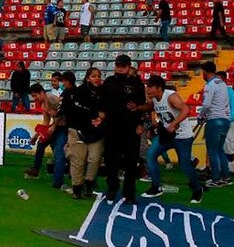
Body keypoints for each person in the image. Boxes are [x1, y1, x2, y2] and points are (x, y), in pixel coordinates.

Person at [141, 76, 202, 202]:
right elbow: (149, 108)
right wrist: (137, 107)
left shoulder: (170, 96)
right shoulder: (154, 99)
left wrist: (174, 124)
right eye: (147, 87)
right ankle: (156, 186)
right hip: (167, 136)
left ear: (159, 88)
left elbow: (186, 109)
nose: (148, 90)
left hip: (182, 136)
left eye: (150, 87)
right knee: (151, 155)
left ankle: (197, 190)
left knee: (184, 165)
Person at [101, 55, 146, 204]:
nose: (120, 68)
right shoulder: (108, 82)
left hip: (130, 128)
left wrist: (140, 123)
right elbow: (102, 103)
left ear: (128, 67)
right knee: (111, 161)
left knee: (131, 162)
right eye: (118, 65)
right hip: (112, 127)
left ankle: (129, 193)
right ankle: (112, 189)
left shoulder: (136, 83)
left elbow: (141, 105)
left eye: (123, 65)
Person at [63, 68, 104, 199]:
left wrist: (102, 117)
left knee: (95, 159)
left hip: (97, 133)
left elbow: (108, 108)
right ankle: (77, 187)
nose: (96, 78)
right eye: (93, 76)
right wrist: (94, 116)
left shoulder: (104, 92)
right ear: (87, 78)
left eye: (98, 76)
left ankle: (89, 183)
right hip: (78, 130)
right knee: (77, 161)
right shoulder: (78, 92)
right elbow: (72, 111)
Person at [25, 83, 67, 189]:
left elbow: (62, 112)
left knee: (59, 153)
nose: (35, 99)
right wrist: (36, 135)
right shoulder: (43, 104)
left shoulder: (52, 98)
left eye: (35, 96)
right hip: (55, 127)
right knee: (41, 143)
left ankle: (58, 181)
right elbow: (46, 121)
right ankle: (35, 169)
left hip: (64, 127)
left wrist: (54, 126)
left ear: (42, 93)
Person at [199, 62, 233, 188]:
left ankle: (216, 179)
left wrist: (200, 116)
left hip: (214, 120)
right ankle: (226, 177)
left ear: (206, 72)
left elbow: (207, 104)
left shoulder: (210, 85)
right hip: (225, 120)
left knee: (212, 150)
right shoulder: (223, 84)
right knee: (220, 150)